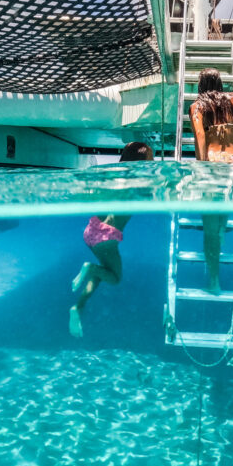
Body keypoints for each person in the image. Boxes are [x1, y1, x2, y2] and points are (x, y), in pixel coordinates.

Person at [69, 141, 154, 338]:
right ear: (141, 161)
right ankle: (88, 268)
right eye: (151, 158)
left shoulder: (113, 176)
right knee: (115, 278)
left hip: (91, 230)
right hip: (106, 237)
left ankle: (78, 308)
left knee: (103, 272)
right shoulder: (141, 182)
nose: (154, 162)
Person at [189, 68, 233, 293]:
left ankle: (213, 280)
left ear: (201, 85)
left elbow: (201, 135)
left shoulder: (197, 106)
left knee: (210, 228)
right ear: (220, 83)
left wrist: (203, 166)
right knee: (222, 217)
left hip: (212, 166)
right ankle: (219, 243)